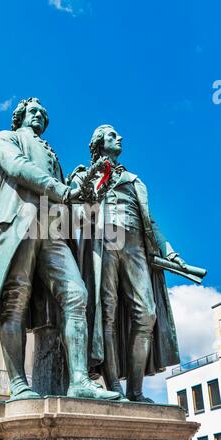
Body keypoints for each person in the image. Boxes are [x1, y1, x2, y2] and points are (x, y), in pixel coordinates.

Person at [0, 99, 119, 402]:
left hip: (54, 229)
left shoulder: (52, 154)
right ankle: (18, 384)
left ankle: (79, 380)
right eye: (33, 111)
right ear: (20, 117)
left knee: (76, 294)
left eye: (44, 113)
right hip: (19, 221)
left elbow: (71, 202)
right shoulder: (6, 138)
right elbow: (19, 168)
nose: (40, 115)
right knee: (14, 300)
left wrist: (88, 192)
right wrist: (64, 189)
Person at [70, 124, 185, 402]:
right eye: (112, 135)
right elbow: (73, 208)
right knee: (105, 315)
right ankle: (115, 390)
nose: (119, 138)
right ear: (98, 143)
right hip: (103, 243)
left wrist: (169, 251)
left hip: (135, 248)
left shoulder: (134, 181)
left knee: (147, 314)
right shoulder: (85, 176)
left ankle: (136, 390)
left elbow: (151, 221)